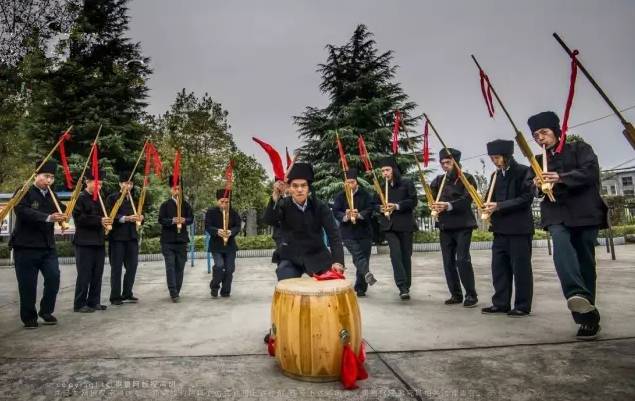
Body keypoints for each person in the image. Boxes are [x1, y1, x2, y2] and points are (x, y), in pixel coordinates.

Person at [529, 111, 608, 340]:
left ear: (556, 131)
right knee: (561, 245)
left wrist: (560, 177)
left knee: (585, 260)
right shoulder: (537, 160)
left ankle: (588, 318)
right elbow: (534, 191)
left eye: (543, 132)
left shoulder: (579, 148)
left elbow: (591, 172)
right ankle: (575, 293)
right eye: (535, 135)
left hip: (584, 211)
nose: (540, 138)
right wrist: (536, 184)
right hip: (556, 213)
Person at [263, 162, 345, 281]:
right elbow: (269, 220)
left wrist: (338, 262)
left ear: (308, 188)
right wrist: (275, 197)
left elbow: (334, 235)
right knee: (286, 282)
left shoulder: (320, 206)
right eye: (295, 186)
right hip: (290, 256)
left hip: (317, 255)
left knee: (331, 283)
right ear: (289, 188)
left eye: (303, 185)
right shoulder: (282, 205)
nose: (299, 189)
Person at [9, 160, 67, 328]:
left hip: (47, 246)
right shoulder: (24, 190)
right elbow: (22, 210)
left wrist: (64, 215)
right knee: (28, 284)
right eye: (46, 176)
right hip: (25, 245)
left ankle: (46, 311)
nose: (49, 181)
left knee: (54, 277)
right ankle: (29, 317)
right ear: (36, 175)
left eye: (52, 178)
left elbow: (61, 209)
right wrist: (48, 217)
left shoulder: (51, 194)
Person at [480, 140, 534, 317]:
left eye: (497, 157)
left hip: (519, 228)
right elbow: (491, 197)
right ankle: (501, 302)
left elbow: (527, 198)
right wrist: (486, 205)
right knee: (499, 268)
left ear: (507, 156)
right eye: (492, 158)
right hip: (500, 229)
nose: (495, 161)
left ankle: (522, 305)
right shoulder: (495, 175)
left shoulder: (524, 171)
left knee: (521, 269)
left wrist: (499, 206)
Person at [430, 148, 479, 308]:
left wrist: (448, 205)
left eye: (448, 162)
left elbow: (467, 199)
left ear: (456, 162)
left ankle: (471, 294)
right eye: (442, 163)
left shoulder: (467, 178)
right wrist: (435, 205)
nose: (445, 166)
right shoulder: (438, 180)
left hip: (463, 224)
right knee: (448, 261)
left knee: (462, 259)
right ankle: (455, 294)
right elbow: (433, 198)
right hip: (445, 226)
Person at [374, 157, 418, 300]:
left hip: (405, 225)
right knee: (395, 254)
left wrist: (396, 206)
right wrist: (380, 208)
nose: (385, 173)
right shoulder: (381, 187)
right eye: (382, 171)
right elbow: (374, 204)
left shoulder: (406, 183)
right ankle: (402, 286)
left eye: (387, 170)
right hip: (389, 226)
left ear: (394, 170)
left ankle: (407, 285)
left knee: (406, 255)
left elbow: (413, 201)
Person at [332, 168, 377, 297]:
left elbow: (370, 209)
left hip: (364, 231)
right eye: (347, 183)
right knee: (357, 255)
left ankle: (361, 288)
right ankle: (367, 273)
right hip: (347, 232)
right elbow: (336, 211)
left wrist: (360, 215)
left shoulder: (365, 194)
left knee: (363, 258)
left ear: (356, 182)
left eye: (352, 182)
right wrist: (345, 215)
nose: (350, 185)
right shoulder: (340, 196)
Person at [73, 170, 112, 313]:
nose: (99, 187)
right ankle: (79, 303)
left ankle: (93, 301)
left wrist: (107, 221)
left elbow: (104, 217)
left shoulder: (99, 198)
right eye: (96, 183)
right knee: (84, 274)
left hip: (98, 241)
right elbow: (79, 219)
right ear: (87, 182)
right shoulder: (80, 197)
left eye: (101, 184)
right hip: (84, 242)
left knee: (97, 273)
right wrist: (99, 220)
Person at [106, 171, 143, 306]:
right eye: (126, 183)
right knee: (116, 268)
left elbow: (139, 217)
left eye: (131, 183)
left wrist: (140, 218)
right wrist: (126, 218)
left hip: (132, 237)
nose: (129, 186)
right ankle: (115, 296)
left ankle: (127, 293)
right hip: (117, 238)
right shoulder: (112, 198)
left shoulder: (134, 199)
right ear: (120, 184)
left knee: (132, 266)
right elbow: (109, 215)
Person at [158, 175, 194, 302]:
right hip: (167, 241)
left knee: (180, 266)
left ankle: (177, 291)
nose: (177, 191)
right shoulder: (165, 205)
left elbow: (191, 219)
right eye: (174, 189)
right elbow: (161, 220)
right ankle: (173, 292)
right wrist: (173, 220)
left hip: (182, 241)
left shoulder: (185, 205)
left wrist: (184, 220)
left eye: (179, 189)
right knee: (170, 266)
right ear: (171, 190)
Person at [205, 189, 241, 298]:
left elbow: (238, 226)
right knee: (219, 266)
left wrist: (231, 232)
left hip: (230, 245)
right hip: (216, 245)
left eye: (227, 202)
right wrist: (217, 231)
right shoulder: (211, 212)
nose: (224, 204)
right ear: (217, 201)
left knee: (229, 269)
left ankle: (225, 291)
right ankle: (214, 286)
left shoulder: (233, 213)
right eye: (222, 201)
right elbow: (207, 226)